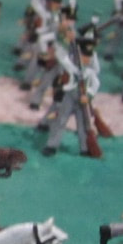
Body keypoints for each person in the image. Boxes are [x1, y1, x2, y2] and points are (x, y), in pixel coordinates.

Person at [42, 23, 102, 157]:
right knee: (60, 121)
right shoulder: (72, 66)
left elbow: (96, 83)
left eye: (89, 57)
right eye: (84, 56)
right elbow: (64, 60)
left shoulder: (90, 71)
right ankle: (52, 145)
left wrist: (89, 95)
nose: (87, 59)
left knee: (83, 125)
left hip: (82, 100)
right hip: (69, 97)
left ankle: (85, 148)